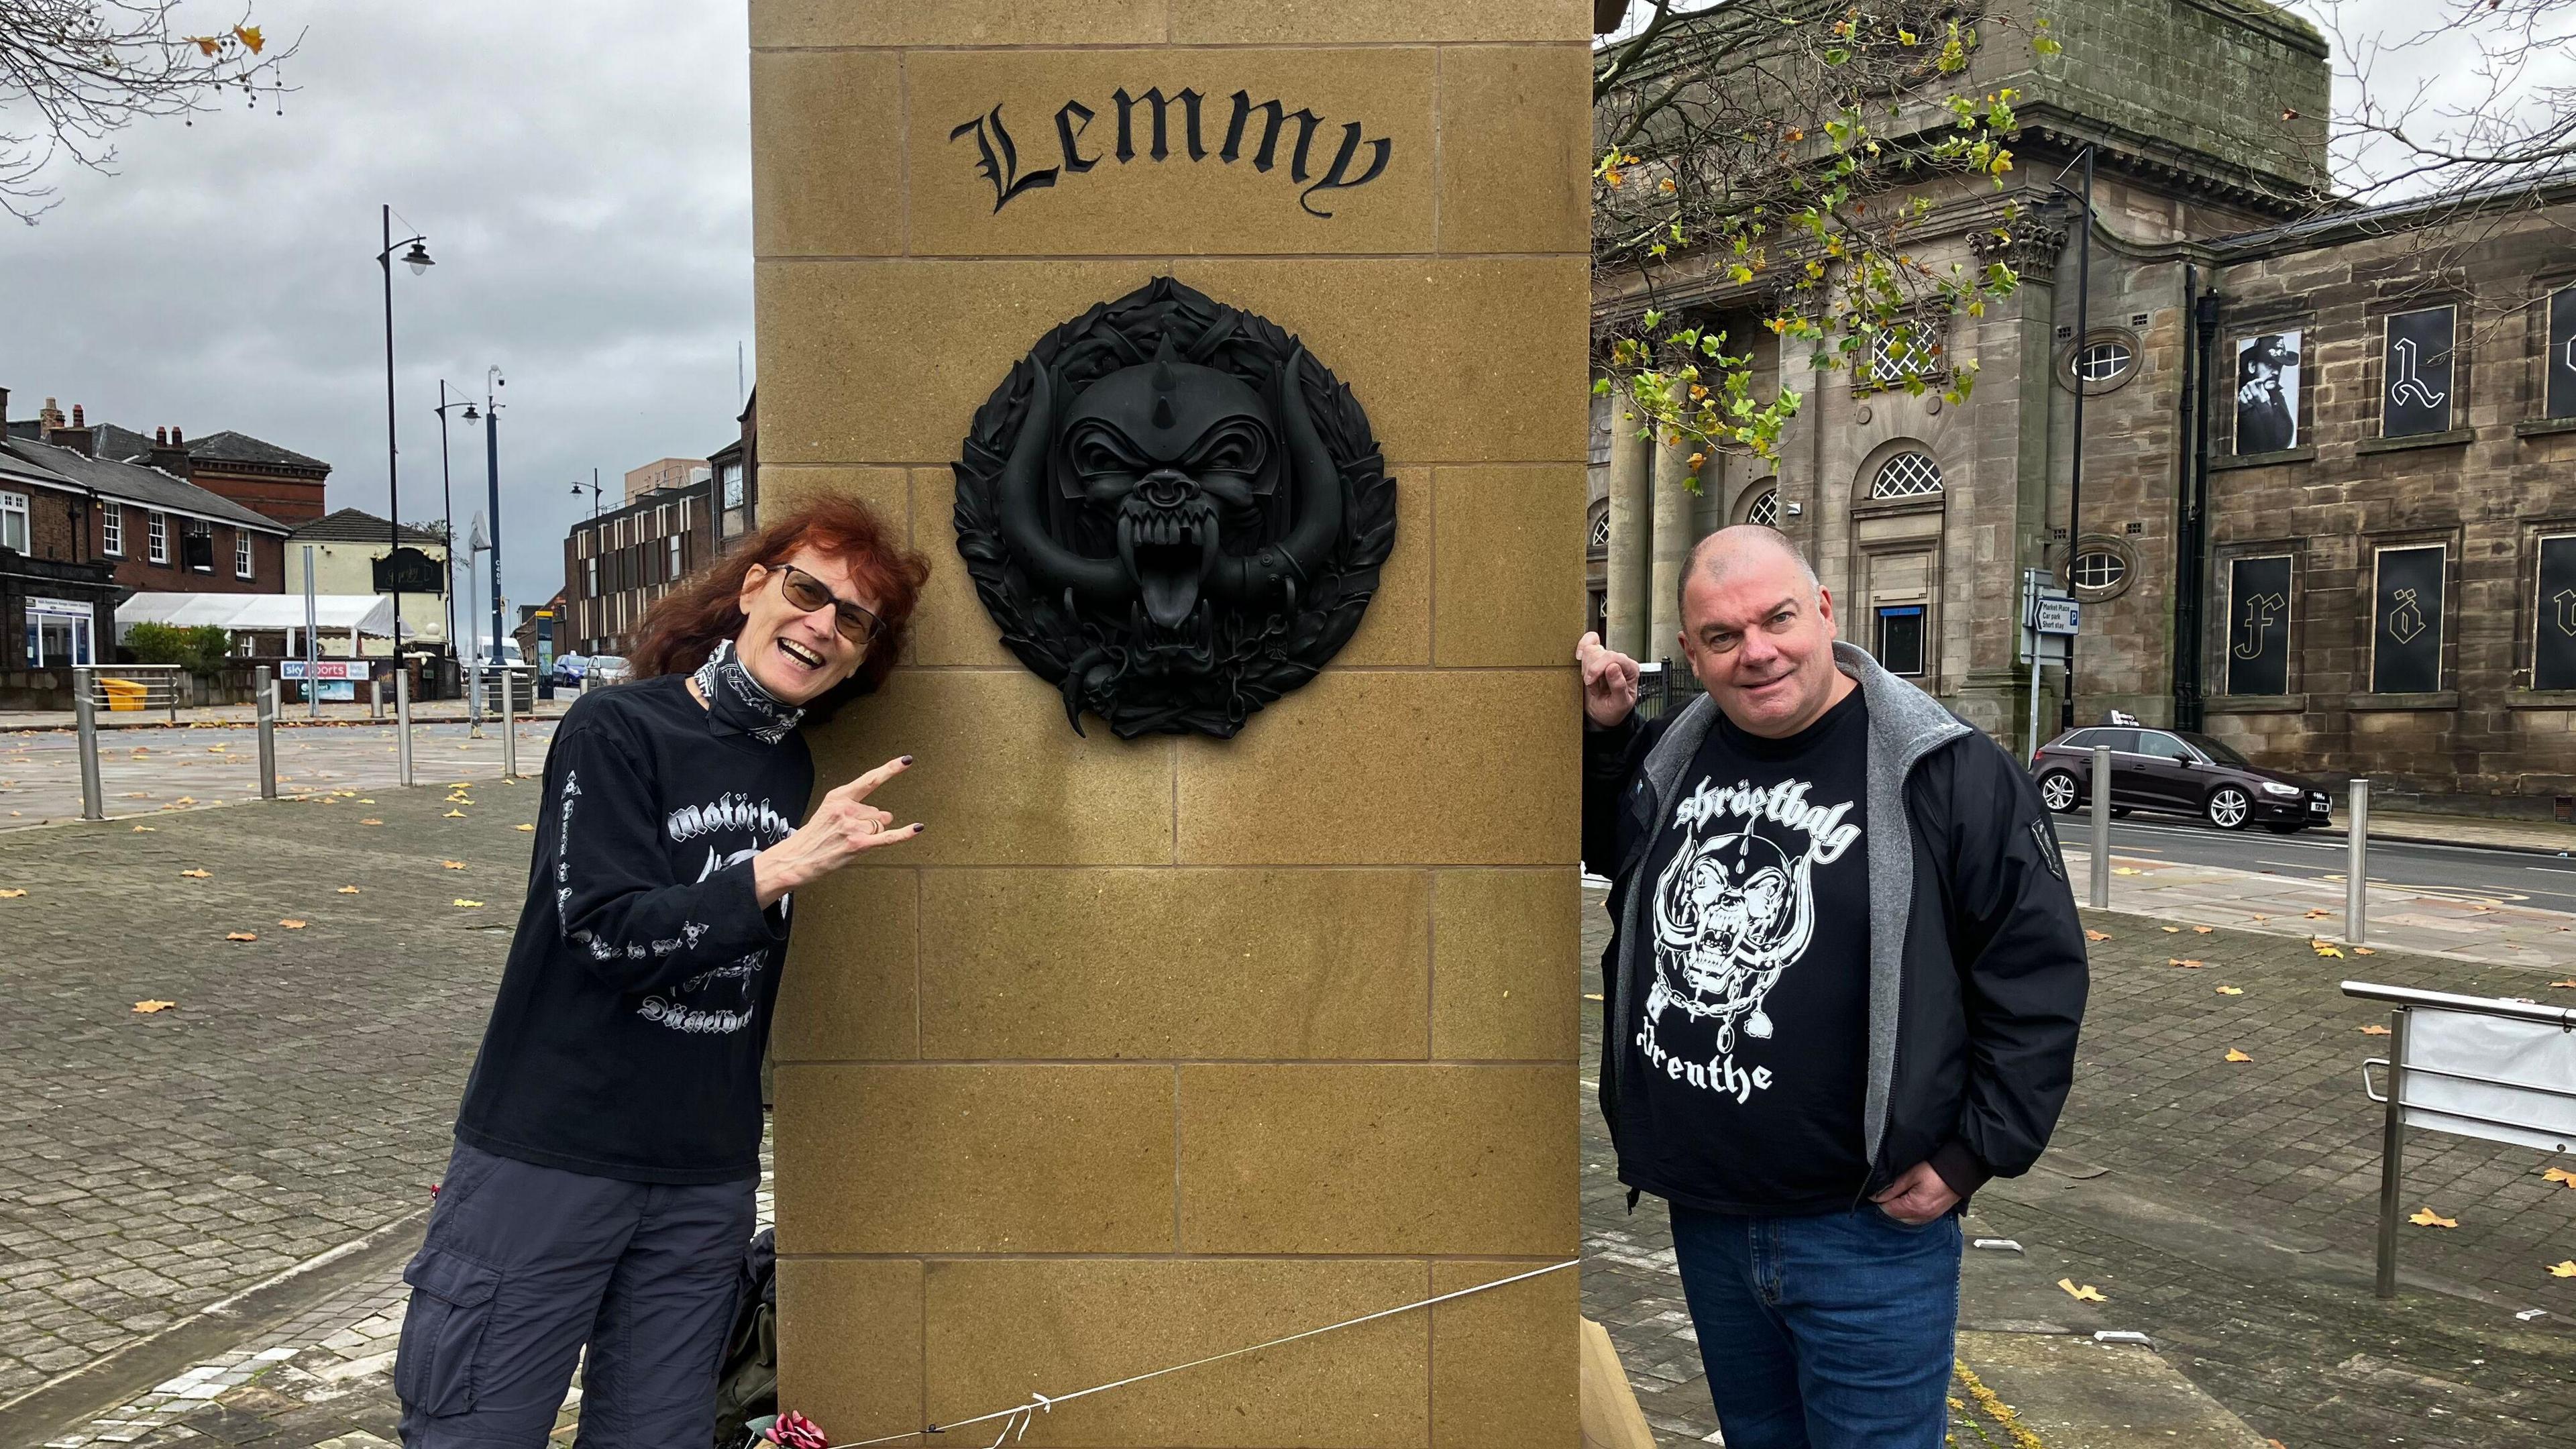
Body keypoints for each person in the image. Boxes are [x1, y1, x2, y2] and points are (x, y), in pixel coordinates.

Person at [395, 496, 931, 1449]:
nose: (822, 625)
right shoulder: (615, 729)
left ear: (859, 659)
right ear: (753, 588)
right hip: (550, 1156)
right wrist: (777, 870)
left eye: (854, 620)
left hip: (699, 1178)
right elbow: (599, 932)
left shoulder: (791, 771)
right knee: (475, 1427)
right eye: (809, 591)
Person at [1576, 526, 2086, 1448]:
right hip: (1711, 1216)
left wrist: (1974, 1154)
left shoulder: (1949, 770)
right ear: (1690, 654)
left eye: (1777, 619)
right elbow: (1614, 851)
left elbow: (2036, 976)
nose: (1757, 652)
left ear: (1823, 612)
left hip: (1868, 1235)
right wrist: (1607, 736)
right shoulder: (1673, 760)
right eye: (1723, 638)